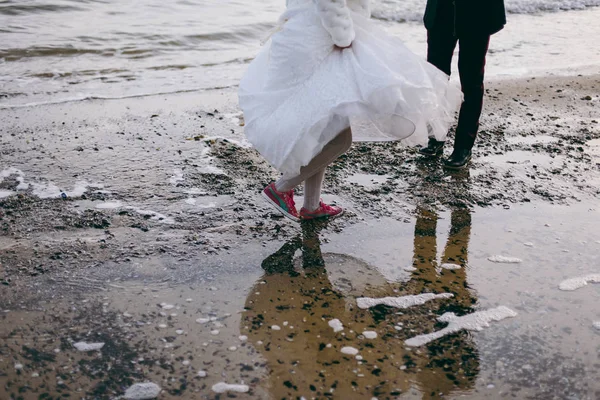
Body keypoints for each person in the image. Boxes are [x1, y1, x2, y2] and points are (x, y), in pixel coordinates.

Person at [239, 0, 461, 221]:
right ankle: (280, 189)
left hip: (305, 36)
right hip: (322, 42)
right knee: (338, 139)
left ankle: (312, 206)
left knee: (323, 133)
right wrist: (343, 38)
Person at [419, 0, 506, 169]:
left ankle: (463, 147)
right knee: (436, 80)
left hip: (477, 14)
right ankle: (435, 137)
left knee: (471, 82)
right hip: (441, 12)